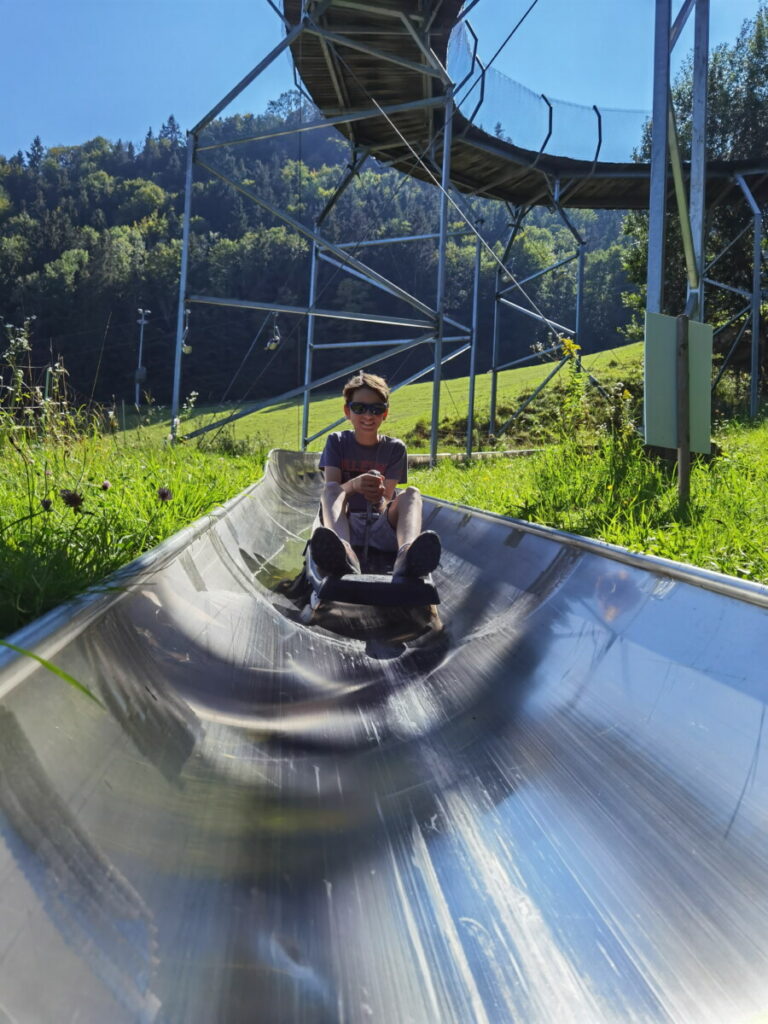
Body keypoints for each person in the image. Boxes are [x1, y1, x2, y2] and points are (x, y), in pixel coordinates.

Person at [310, 371, 441, 580]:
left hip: (381, 524)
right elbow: (333, 490)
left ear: (385, 413)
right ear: (348, 411)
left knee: (412, 493)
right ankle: (343, 553)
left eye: (376, 409)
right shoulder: (336, 442)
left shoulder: (395, 448)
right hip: (345, 524)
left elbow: (386, 501)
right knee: (331, 489)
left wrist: (378, 497)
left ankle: (407, 554)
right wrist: (354, 485)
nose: (368, 416)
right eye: (359, 408)